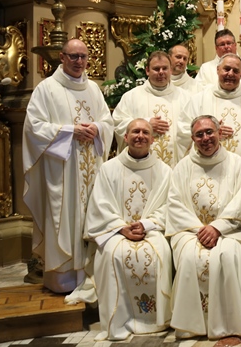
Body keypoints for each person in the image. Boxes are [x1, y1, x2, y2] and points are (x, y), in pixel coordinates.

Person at [22, 38, 114, 293]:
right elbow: (34, 127)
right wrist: (70, 131)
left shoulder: (93, 88)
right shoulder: (46, 89)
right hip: (62, 171)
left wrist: (97, 128)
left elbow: (107, 121)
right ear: (62, 57)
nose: (79, 61)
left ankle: (92, 273)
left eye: (83, 56)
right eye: (73, 56)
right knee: (64, 218)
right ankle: (62, 280)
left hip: (91, 169)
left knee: (92, 215)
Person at [70, 119, 173, 340]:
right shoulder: (109, 168)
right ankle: (119, 320)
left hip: (152, 229)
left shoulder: (164, 171)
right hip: (116, 231)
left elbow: (169, 206)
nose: (140, 136)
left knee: (161, 252)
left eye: (145, 132)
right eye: (135, 132)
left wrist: (145, 224)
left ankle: (156, 319)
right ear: (125, 137)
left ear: (152, 140)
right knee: (112, 254)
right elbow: (100, 205)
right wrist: (121, 228)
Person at [166, 115, 241, 341]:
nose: (205, 138)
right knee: (189, 258)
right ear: (192, 138)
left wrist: (217, 228)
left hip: (230, 230)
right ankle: (192, 326)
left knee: (228, 256)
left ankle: (229, 324)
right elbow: (175, 204)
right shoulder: (182, 167)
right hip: (191, 232)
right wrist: (201, 230)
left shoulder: (237, 163)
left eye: (209, 132)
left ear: (219, 133)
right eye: (199, 134)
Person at [186, 53, 241, 161]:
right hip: (206, 167)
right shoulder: (199, 101)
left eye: (235, 71)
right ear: (218, 70)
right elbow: (184, 133)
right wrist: (210, 133)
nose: (230, 74)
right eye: (226, 69)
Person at [112, 51, 192, 168]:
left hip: (176, 166)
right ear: (147, 71)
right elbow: (118, 123)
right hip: (140, 167)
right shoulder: (131, 97)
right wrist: (146, 124)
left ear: (170, 70)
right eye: (156, 69)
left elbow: (193, 128)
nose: (161, 72)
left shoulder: (185, 98)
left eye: (165, 68)